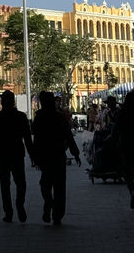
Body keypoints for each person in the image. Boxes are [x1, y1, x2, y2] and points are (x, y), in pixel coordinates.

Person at [32, 91, 81, 225]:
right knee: (58, 186)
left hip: (47, 156)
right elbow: (68, 137)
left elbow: (36, 139)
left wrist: (35, 156)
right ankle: (56, 213)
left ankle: (50, 206)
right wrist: (75, 153)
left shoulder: (41, 117)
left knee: (46, 184)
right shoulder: (57, 117)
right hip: (57, 156)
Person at [0, 90, 34, 223]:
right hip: (17, 154)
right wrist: (32, 154)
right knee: (21, 182)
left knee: (5, 184)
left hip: (3, 154)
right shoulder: (21, 116)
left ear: (4, 101)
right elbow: (27, 138)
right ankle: (19, 204)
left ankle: (8, 212)